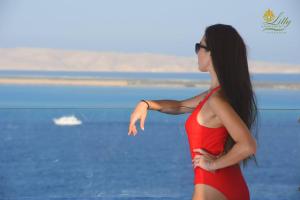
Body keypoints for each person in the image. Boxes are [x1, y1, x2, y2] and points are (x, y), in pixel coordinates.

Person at [128, 23, 259, 200]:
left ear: (214, 53)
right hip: (220, 185)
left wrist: (212, 165)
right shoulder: (214, 95)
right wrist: (146, 104)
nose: (197, 52)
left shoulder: (216, 100)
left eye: (199, 47)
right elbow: (180, 106)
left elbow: (248, 145)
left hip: (214, 186)